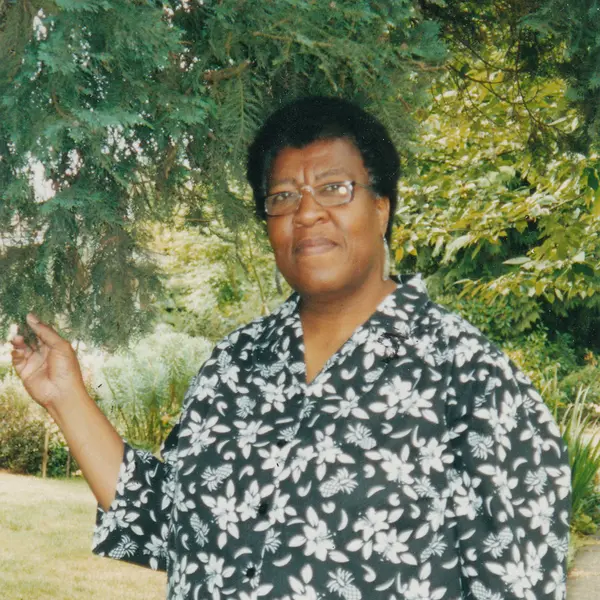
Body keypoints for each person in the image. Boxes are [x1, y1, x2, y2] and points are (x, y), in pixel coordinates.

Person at [11, 96, 570, 600]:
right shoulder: (235, 364)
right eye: (283, 196)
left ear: (383, 207)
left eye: (334, 188)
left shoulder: (474, 383)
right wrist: (65, 397)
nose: (306, 212)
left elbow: (521, 582)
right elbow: (168, 526)